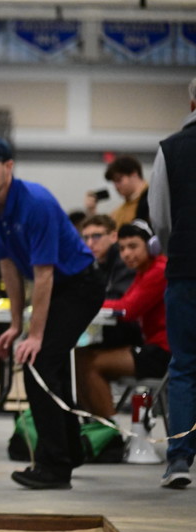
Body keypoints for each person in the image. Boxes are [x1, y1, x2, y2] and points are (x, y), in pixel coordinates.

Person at [0, 136, 105, 490]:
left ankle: (53, 467)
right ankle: (71, 451)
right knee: (49, 367)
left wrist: (36, 335)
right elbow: (8, 267)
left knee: (38, 364)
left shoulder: (36, 203)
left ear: (9, 167)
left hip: (80, 285)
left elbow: (44, 275)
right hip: (53, 287)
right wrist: (16, 325)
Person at [148, 76, 196, 489]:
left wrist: (172, 247)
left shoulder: (170, 148)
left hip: (185, 270)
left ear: (192, 103)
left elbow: (159, 217)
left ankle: (179, 459)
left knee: (184, 366)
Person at [74, 221, 169, 420]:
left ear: (151, 246)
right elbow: (124, 303)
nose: (126, 254)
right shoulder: (144, 271)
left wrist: (88, 302)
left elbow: (128, 309)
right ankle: (95, 424)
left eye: (133, 246)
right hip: (152, 346)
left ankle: (110, 429)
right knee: (79, 357)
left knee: (90, 364)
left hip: (163, 352)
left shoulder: (158, 271)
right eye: (122, 248)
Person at [78, 214, 140, 349]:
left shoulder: (125, 260)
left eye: (96, 236)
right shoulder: (93, 264)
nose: (90, 243)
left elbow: (118, 299)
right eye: (86, 238)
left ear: (113, 237)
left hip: (131, 333)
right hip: (110, 330)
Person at [84, 155, 150, 228]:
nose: (116, 186)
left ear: (134, 175)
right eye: (114, 182)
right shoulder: (119, 212)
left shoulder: (152, 200)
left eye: (119, 180)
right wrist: (91, 211)